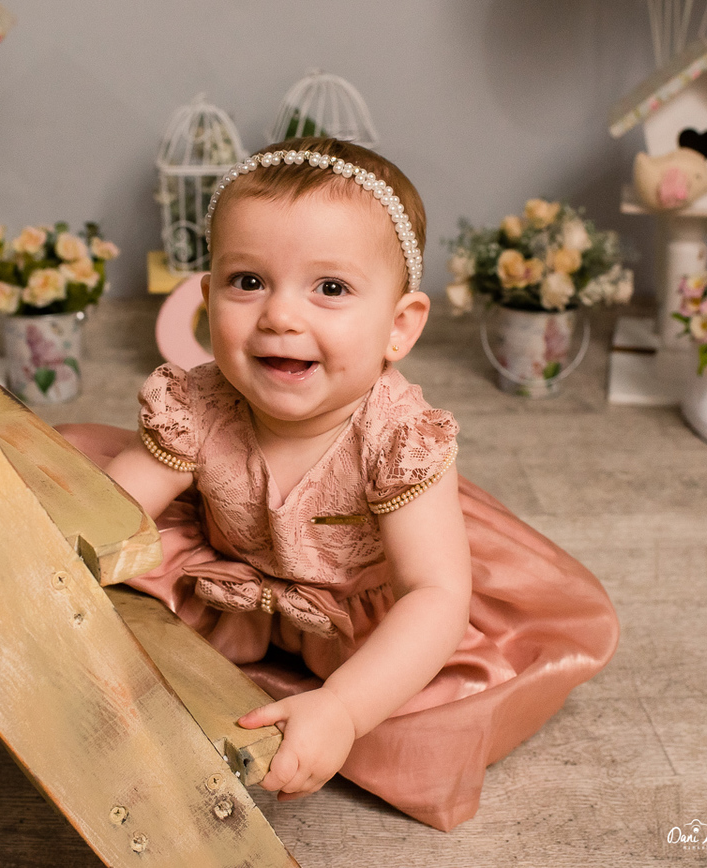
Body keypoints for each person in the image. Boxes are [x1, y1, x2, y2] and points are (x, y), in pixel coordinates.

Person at [50, 136, 619, 830]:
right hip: (229, 582)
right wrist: (36, 595)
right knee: (93, 607)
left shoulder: (397, 441)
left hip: (364, 613)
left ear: (399, 327)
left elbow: (434, 595)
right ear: (206, 297)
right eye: (248, 282)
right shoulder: (197, 405)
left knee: (429, 727)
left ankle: (332, 700)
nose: (280, 316)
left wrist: (346, 708)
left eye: (330, 288)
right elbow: (106, 518)